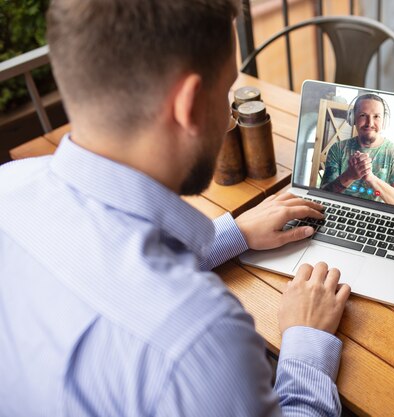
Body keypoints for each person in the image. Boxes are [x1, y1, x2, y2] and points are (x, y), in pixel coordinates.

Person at [0, 1, 351, 416]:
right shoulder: (201, 342)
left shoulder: (11, 184)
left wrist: (233, 233)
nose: (227, 117)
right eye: (226, 92)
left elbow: (108, 260)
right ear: (189, 104)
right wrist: (306, 341)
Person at [320, 94, 394, 207]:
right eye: (363, 115)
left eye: (376, 116)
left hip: (379, 217)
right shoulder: (338, 149)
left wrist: (370, 178)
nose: (370, 123)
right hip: (340, 212)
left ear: (384, 121)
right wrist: (349, 175)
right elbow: (322, 196)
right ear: (353, 118)